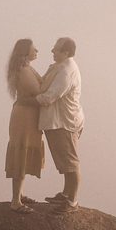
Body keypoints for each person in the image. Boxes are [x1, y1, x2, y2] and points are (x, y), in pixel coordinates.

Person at [37, 36, 84, 213]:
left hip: (64, 122)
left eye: (56, 49)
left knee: (70, 162)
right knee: (64, 161)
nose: (52, 51)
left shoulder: (67, 71)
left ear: (66, 52)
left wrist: (29, 101)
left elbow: (51, 96)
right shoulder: (62, 67)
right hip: (59, 121)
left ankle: (72, 201)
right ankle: (66, 194)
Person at [4, 38, 45, 213]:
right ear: (25, 52)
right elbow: (39, 92)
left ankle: (18, 195)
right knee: (22, 150)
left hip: (26, 114)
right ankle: (15, 201)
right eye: (33, 48)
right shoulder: (24, 70)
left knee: (23, 151)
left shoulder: (25, 68)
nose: (37, 50)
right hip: (25, 117)